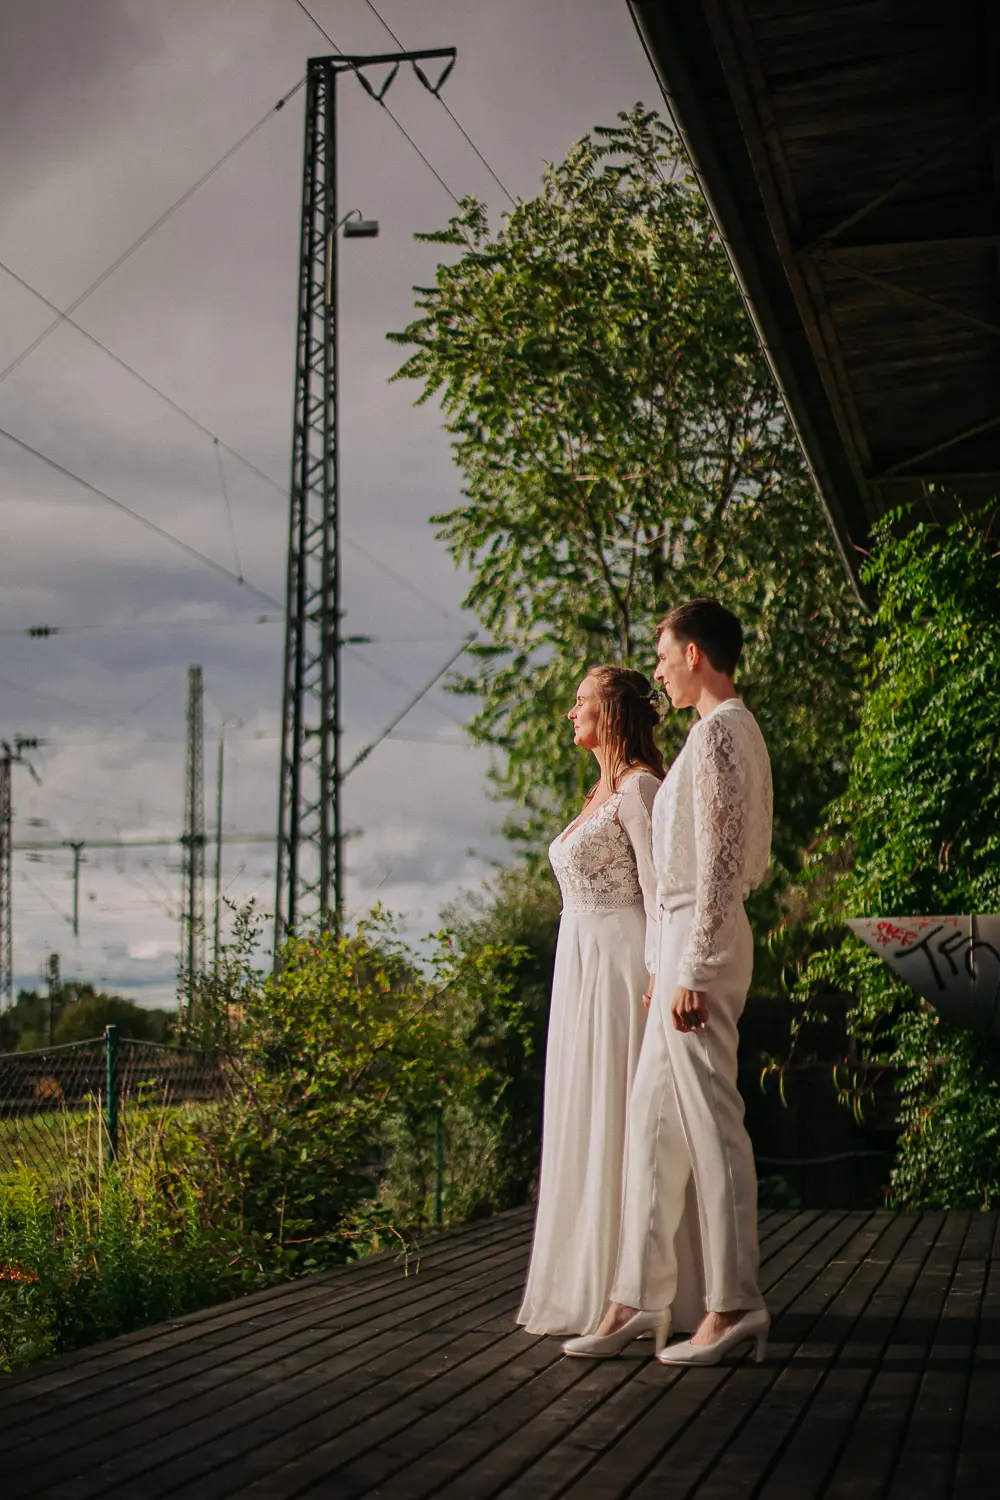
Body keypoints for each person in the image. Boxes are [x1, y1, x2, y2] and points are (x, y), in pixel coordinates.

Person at [564, 599, 773, 1365]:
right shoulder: (712, 734)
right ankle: (633, 1299)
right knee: (653, 1122)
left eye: (662, 655)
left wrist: (691, 966)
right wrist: (662, 965)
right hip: (678, 945)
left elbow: (723, 864)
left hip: (701, 940)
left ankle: (733, 1302)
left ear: (693, 653)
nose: (656, 670)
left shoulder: (722, 732)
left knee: (711, 1123)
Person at [517, 665, 666, 1336]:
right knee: (583, 1110)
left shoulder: (639, 791)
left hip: (620, 969)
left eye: (579, 702)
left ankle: (632, 1287)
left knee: (617, 1110)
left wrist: (660, 972)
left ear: (609, 711)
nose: (568, 713)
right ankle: (587, 1279)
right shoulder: (596, 792)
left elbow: (663, 894)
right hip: (579, 970)